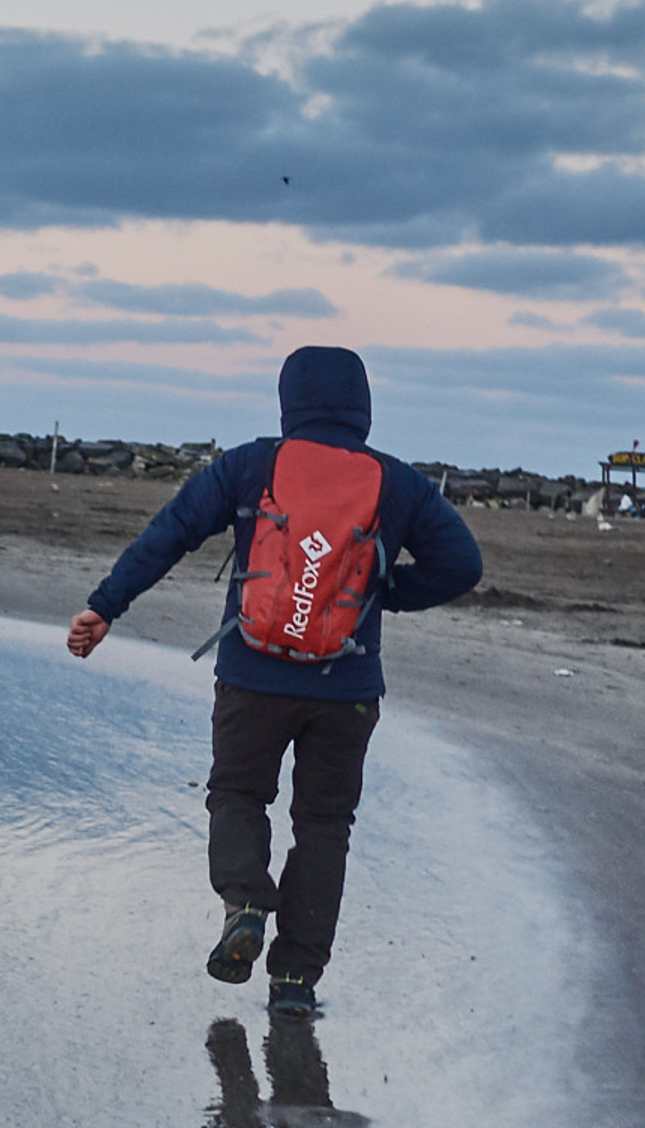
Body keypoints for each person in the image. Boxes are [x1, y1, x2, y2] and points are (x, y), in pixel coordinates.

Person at [66, 347, 481, 1016]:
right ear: (363, 406)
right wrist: (384, 593)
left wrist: (104, 605)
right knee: (323, 825)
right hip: (346, 690)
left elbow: (170, 533)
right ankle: (295, 984)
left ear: (289, 401)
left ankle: (247, 900)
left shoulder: (252, 464)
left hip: (252, 678)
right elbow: (462, 564)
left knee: (237, 792)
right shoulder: (397, 483)